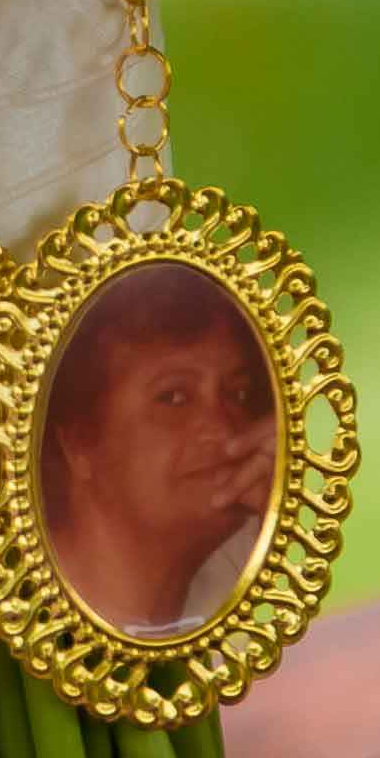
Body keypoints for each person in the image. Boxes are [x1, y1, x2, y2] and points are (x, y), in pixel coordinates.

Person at [38, 265, 276, 637]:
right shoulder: (16, 626)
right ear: (78, 443)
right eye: (174, 397)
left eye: (237, 394)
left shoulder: (253, 561)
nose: (225, 429)